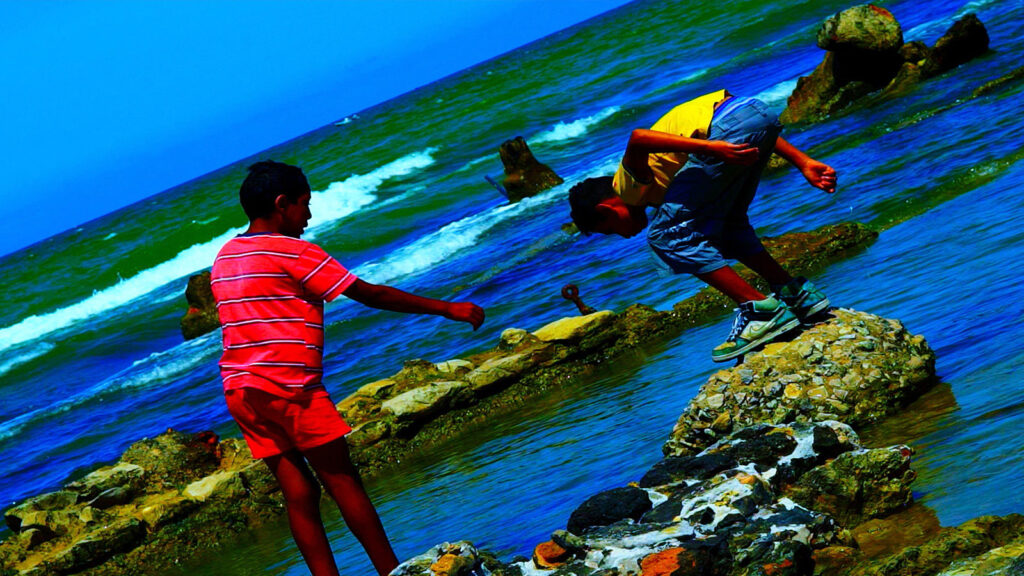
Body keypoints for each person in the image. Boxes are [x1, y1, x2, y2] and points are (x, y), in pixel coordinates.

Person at [210, 160, 485, 576]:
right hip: (290, 386)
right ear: (282, 204)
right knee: (342, 481)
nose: (309, 215)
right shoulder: (294, 251)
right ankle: (390, 571)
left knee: (299, 494)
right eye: (304, 204)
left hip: (240, 390)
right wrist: (446, 308)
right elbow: (369, 294)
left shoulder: (225, 256)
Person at [568, 90, 837, 362]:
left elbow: (638, 138)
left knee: (665, 237)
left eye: (611, 229)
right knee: (726, 224)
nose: (624, 236)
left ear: (606, 209)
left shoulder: (625, 186)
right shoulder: (657, 183)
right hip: (753, 113)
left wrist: (712, 147)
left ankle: (760, 310)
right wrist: (803, 161)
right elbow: (753, 124)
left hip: (723, 131)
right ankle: (796, 293)